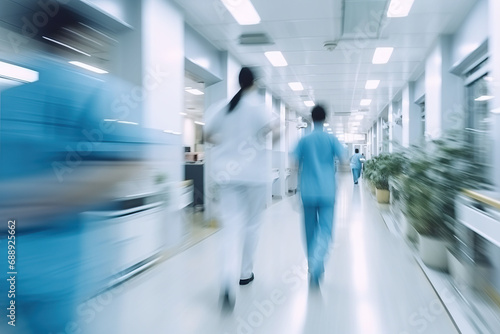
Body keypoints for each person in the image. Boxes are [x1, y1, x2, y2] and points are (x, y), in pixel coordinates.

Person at [205, 67, 276, 310]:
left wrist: (226, 143)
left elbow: (207, 135)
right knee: (252, 225)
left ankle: (227, 281)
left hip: (227, 175)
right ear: (254, 83)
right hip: (255, 177)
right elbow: (275, 132)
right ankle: (245, 273)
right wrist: (263, 138)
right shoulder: (260, 105)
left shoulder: (222, 107)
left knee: (231, 228)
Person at [293, 105, 345, 287]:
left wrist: (294, 189)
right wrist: (338, 177)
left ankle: (312, 264)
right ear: (326, 118)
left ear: (311, 117)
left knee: (309, 230)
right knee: (325, 230)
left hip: (307, 191)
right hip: (327, 191)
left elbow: (294, 164)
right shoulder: (331, 139)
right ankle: (317, 264)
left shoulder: (304, 139)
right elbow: (344, 161)